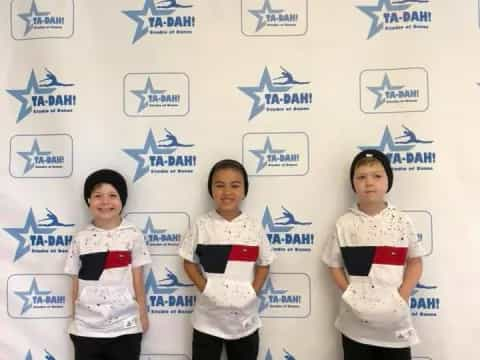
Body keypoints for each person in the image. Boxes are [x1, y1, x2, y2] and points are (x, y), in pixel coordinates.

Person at [322, 150, 426, 360]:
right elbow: (333, 264)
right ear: (353, 184)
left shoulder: (402, 221)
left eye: (377, 176)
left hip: (394, 325)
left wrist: (402, 295)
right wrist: (350, 292)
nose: (369, 182)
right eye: (361, 177)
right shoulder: (344, 223)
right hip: (355, 326)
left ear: (388, 181)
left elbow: (415, 262)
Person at [179, 159, 275, 360]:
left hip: (245, 322)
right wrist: (205, 288)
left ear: (244, 191)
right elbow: (188, 261)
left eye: (235, 185)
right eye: (220, 185)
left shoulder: (254, 226)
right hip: (207, 321)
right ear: (211, 190)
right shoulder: (201, 224)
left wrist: (253, 290)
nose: (227, 191)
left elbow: (265, 263)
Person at [64, 169, 151, 360]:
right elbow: (75, 283)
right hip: (86, 330)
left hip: (125, 327)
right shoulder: (80, 238)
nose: (105, 202)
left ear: (122, 201)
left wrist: (142, 315)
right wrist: (74, 318)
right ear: (88, 200)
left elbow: (138, 280)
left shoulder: (133, 235)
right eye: (98, 196)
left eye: (112, 195)